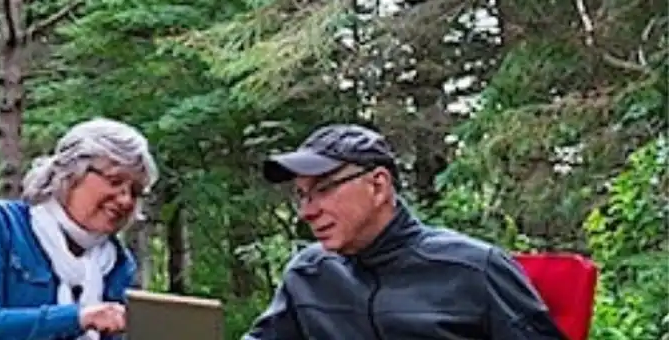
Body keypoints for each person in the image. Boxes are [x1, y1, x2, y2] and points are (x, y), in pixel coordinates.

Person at [242, 123, 568, 339]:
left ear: (378, 185)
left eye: (324, 190)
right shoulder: (308, 276)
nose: (307, 212)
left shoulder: (475, 270)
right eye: (302, 195)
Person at [0, 118, 158, 340]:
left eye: (135, 192)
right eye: (115, 181)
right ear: (72, 174)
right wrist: (79, 318)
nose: (125, 200)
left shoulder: (117, 264)